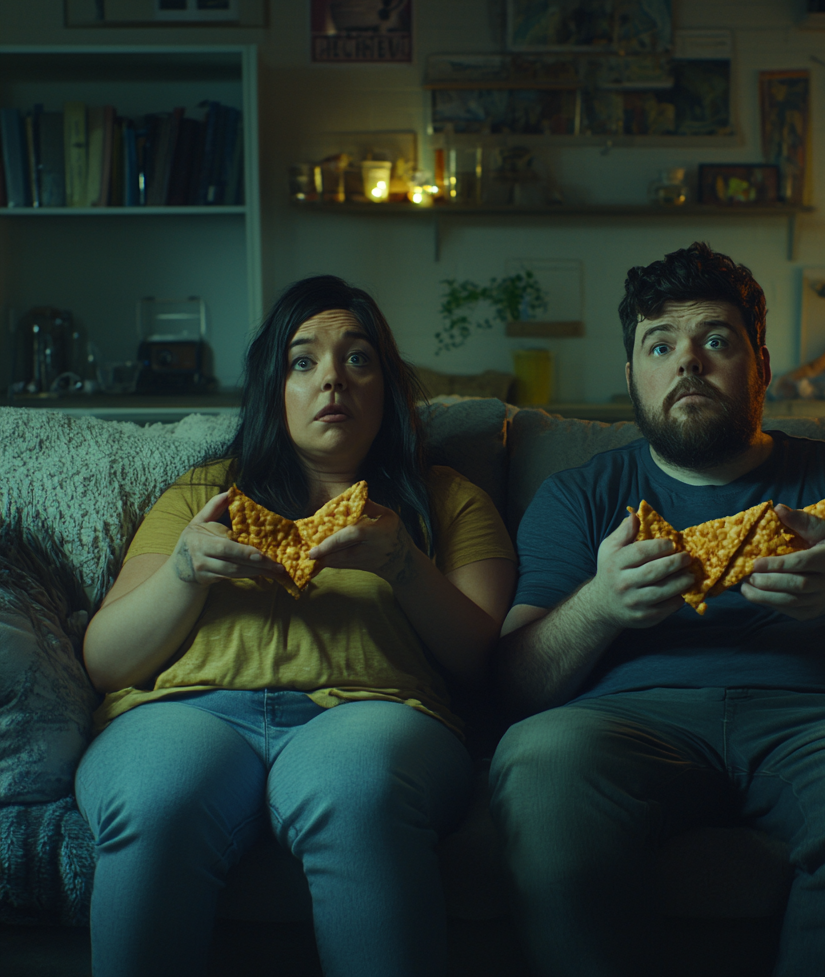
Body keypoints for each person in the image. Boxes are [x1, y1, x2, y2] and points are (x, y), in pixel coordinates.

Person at [489, 242, 825, 977]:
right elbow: (516, 683)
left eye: (716, 340)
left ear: (761, 368)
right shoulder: (578, 495)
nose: (689, 362)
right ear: (632, 376)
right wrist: (601, 604)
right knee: (539, 761)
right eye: (661, 345)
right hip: (624, 725)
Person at [76, 275, 516, 977]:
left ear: (388, 389)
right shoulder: (204, 497)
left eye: (358, 359)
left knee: (357, 786)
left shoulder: (447, 502)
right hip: (185, 711)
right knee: (159, 791)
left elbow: (482, 662)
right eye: (302, 361)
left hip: (375, 715)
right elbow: (105, 662)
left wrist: (404, 564)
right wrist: (185, 573)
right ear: (272, 391)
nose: (332, 379)